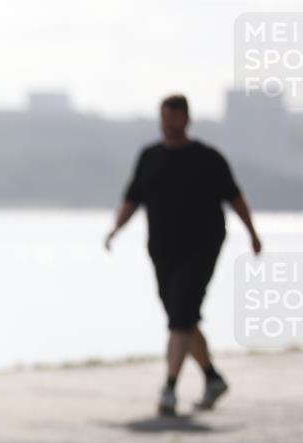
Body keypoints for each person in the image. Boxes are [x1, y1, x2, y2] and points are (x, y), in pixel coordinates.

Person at [105, 94, 263, 416]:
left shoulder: (208, 158)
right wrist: (115, 230)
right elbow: (132, 198)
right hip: (162, 249)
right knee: (183, 318)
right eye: (164, 117)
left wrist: (252, 233)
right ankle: (212, 378)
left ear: (187, 119)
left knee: (180, 316)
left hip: (201, 248)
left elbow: (235, 198)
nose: (168, 123)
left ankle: (169, 388)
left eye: (174, 117)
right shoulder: (149, 157)